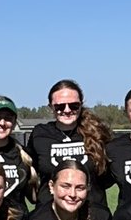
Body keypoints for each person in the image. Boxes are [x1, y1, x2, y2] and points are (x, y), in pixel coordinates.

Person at [27, 80, 112, 209]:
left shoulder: (97, 133)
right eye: (60, 106)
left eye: (73, 106)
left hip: (92, 213)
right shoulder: (40, 134)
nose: (67, 110)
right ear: (50, 107)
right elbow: (30, 171)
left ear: (81, 105)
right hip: (49, 215)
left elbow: (108, 176)